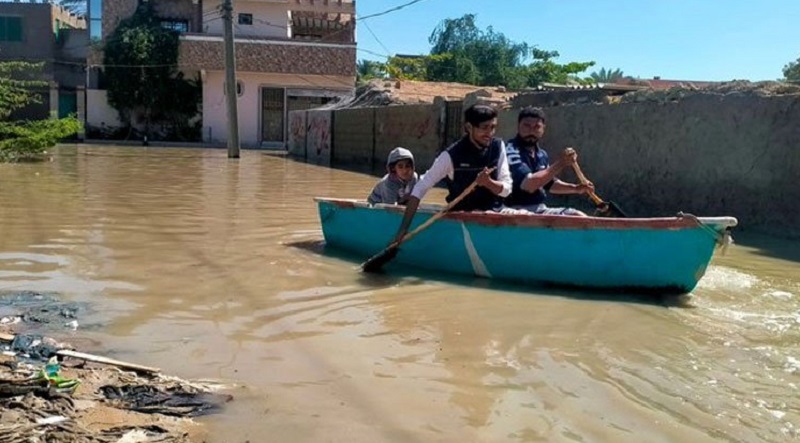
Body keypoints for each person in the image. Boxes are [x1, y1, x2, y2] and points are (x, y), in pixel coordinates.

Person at [391, 104, 512, 243]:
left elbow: (506, 190)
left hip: (495, 213)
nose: (490, 133)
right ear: (468, 127)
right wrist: (403, 229)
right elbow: (420, 188)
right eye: (484, 128)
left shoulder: (498, 146)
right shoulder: (450, 156)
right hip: (464, 216)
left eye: (493, 127)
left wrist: (488, 183)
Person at [505, 107, 594, 216]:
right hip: (515, 210)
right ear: (518, 126)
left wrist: (576, 188)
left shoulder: (541, 154)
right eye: (527, 126)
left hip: (539, 208)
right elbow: (529, 185)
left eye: (537, 127)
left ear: (543, 129)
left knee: (578, 216)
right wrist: (561, 163)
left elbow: (548, 183)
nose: (531, 131)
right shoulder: (511, 150)